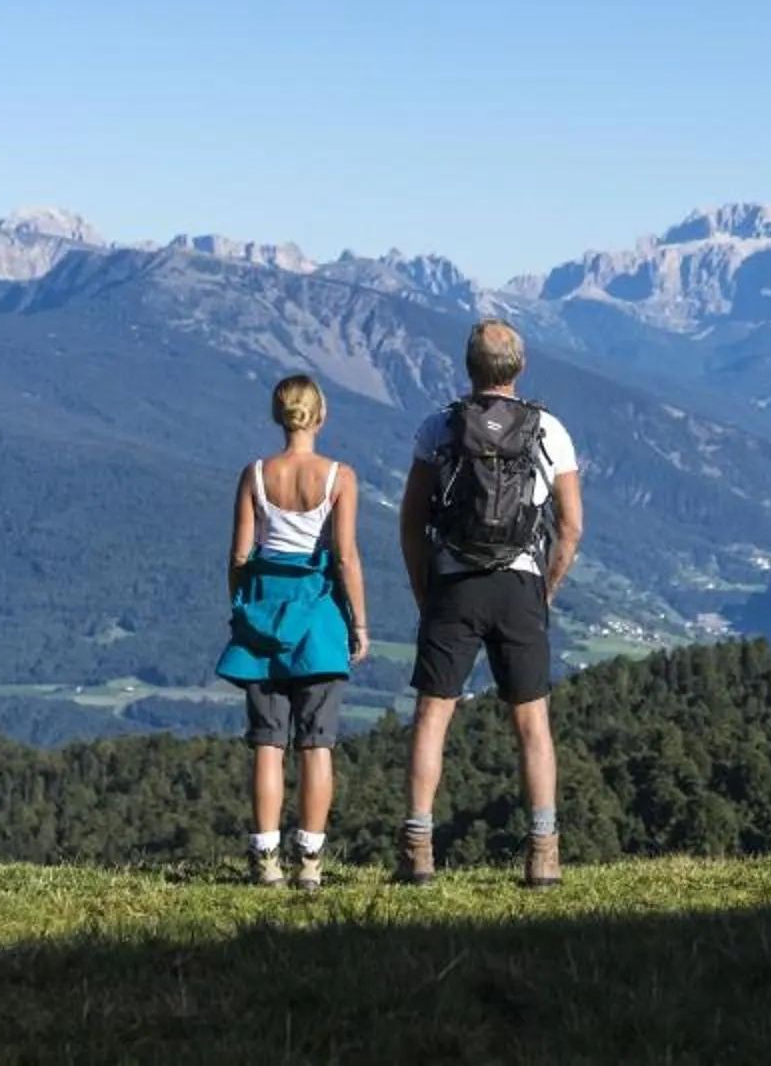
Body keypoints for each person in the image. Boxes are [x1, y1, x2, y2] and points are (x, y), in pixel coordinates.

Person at [396, 318, 583, 889]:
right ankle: (543, 853)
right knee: (532, 722)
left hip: (455, 582)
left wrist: (426, 589)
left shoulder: (440, 428)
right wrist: (544, 587)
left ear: (468, 368)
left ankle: (418, 850)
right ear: (519, 369)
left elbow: (411, 520)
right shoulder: (548, 430)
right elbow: (571, 527)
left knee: (433, 716)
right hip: (519, 581)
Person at [216, 373, 371, 890]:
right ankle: (309, 860)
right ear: (320, 415)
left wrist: (242, 604)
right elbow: (345, 556)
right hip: (319, 620)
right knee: (316, 744)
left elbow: (240, 554)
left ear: (278, 416)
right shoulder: (338, 477)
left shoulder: (255, 474)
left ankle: (265, 859)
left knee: (267, 742)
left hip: (263, 619)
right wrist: (360, 622)